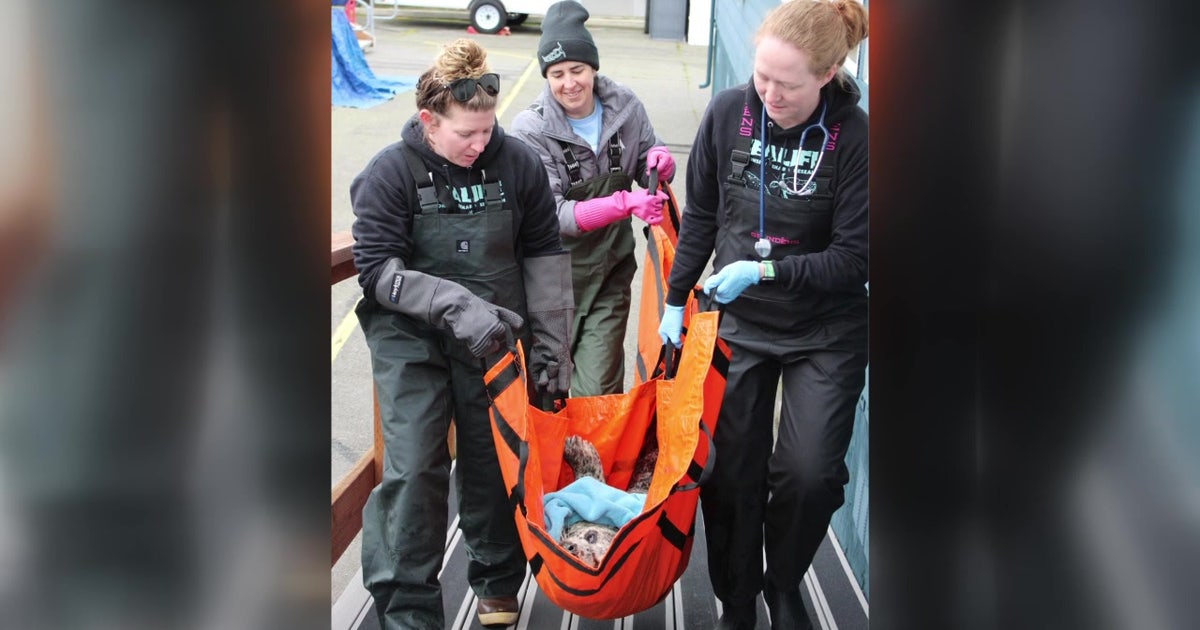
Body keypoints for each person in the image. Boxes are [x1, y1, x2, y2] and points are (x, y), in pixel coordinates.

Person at [349, 38, 574, 629]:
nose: (481, 145)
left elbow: (545, 256)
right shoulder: (389, 174)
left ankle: (498, 580)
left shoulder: (517, 164)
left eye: (487, 130)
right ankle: (409, 610)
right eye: (465, 135)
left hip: (496, 337)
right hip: (411, 340)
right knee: (415, 466)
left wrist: (554, 348)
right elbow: (376, 272)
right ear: (428, 120)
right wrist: (451, 302)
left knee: (493, 456)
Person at [657, 1, 869, 628]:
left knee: (809, 474)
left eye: (788, 83)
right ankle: (738, 595)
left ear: (828, 73)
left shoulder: (855, 139)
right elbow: (699, 217)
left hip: (823, 329)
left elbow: (853, 258)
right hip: (738, 324)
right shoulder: (728, 113)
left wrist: (767, 269)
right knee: (729, 469)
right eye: (762, 76)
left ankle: (783, 581)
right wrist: (675, 299)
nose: (769, 93)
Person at [510, 0, 674, 397]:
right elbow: (553, 215)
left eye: (577, 70)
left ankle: (595, 459)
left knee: (596, 390)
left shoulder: (626, 108)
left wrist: (662, 162)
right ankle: (550, 460)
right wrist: (625, 204)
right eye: (557, 73)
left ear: (593, 67)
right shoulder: (529, 130)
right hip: (550, 283)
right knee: (547, 389)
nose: (570, 83)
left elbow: (650, 161)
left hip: (608, 274)